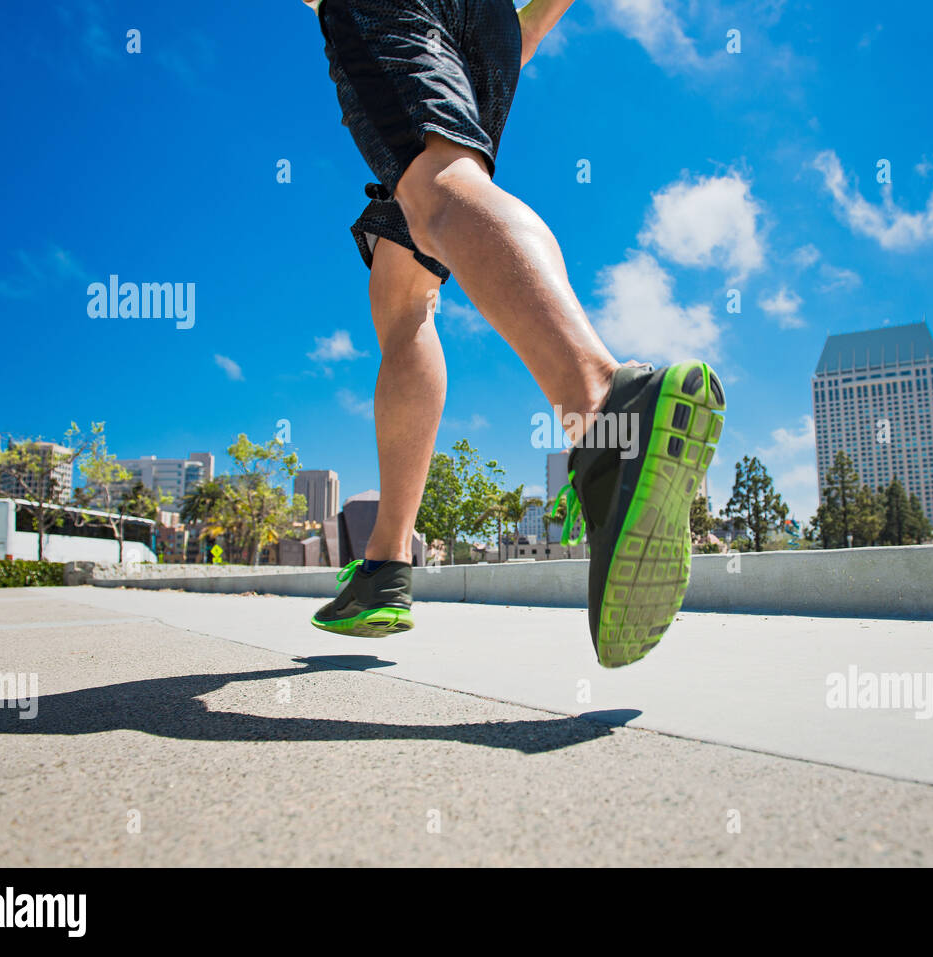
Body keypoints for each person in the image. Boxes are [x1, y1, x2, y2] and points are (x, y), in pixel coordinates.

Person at [306, 0, 725, 668]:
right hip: (493, 26)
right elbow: (523, 32)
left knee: (438, 190)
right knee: (403, 283)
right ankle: (385, 560)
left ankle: (604, 410)